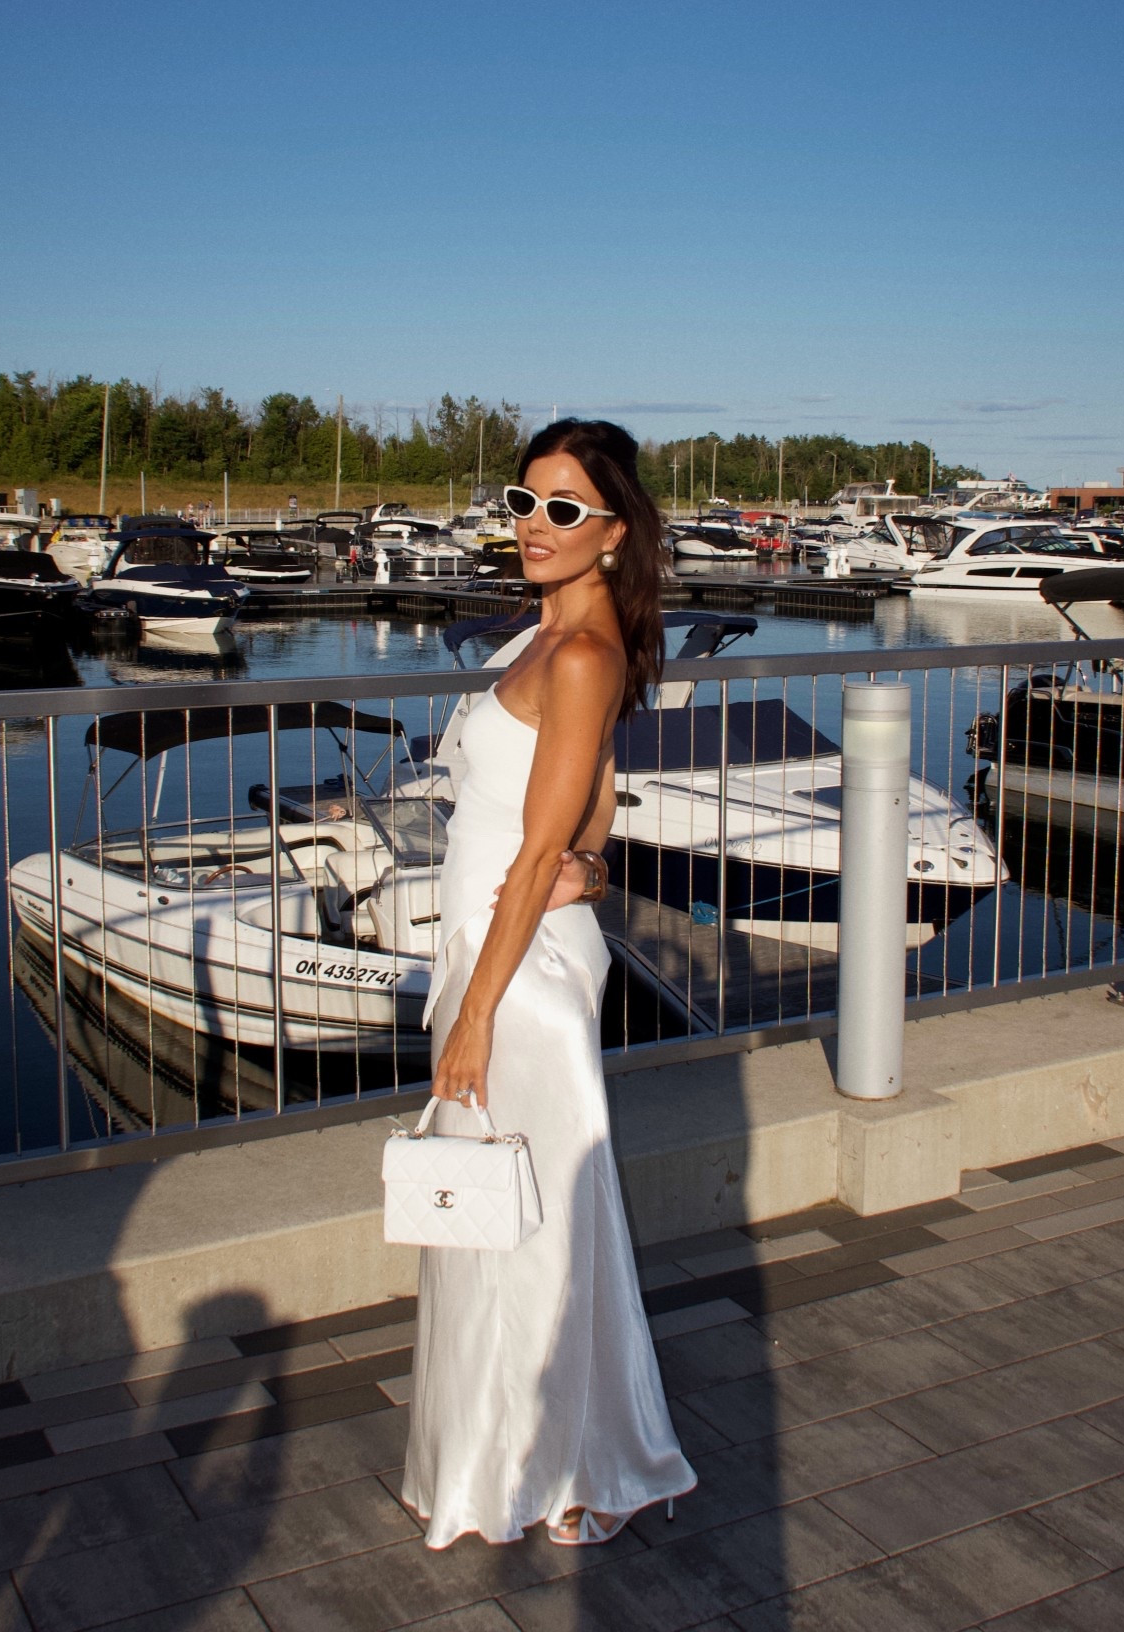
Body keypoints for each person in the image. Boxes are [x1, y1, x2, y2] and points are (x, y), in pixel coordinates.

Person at [402, 418, 696, 1550]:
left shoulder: (579, 653)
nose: (533, 525)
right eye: (522, 502)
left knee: (541, 1232)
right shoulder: (546, 635)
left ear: (613, 531)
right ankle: (502, 1460)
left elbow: (533, 854)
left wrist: (475, 1013)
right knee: (498, 1223)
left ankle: (571, 1467)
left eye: (563, 509)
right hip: (494, 947)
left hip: (514, 971)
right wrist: (602, 859)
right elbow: (594, 799)